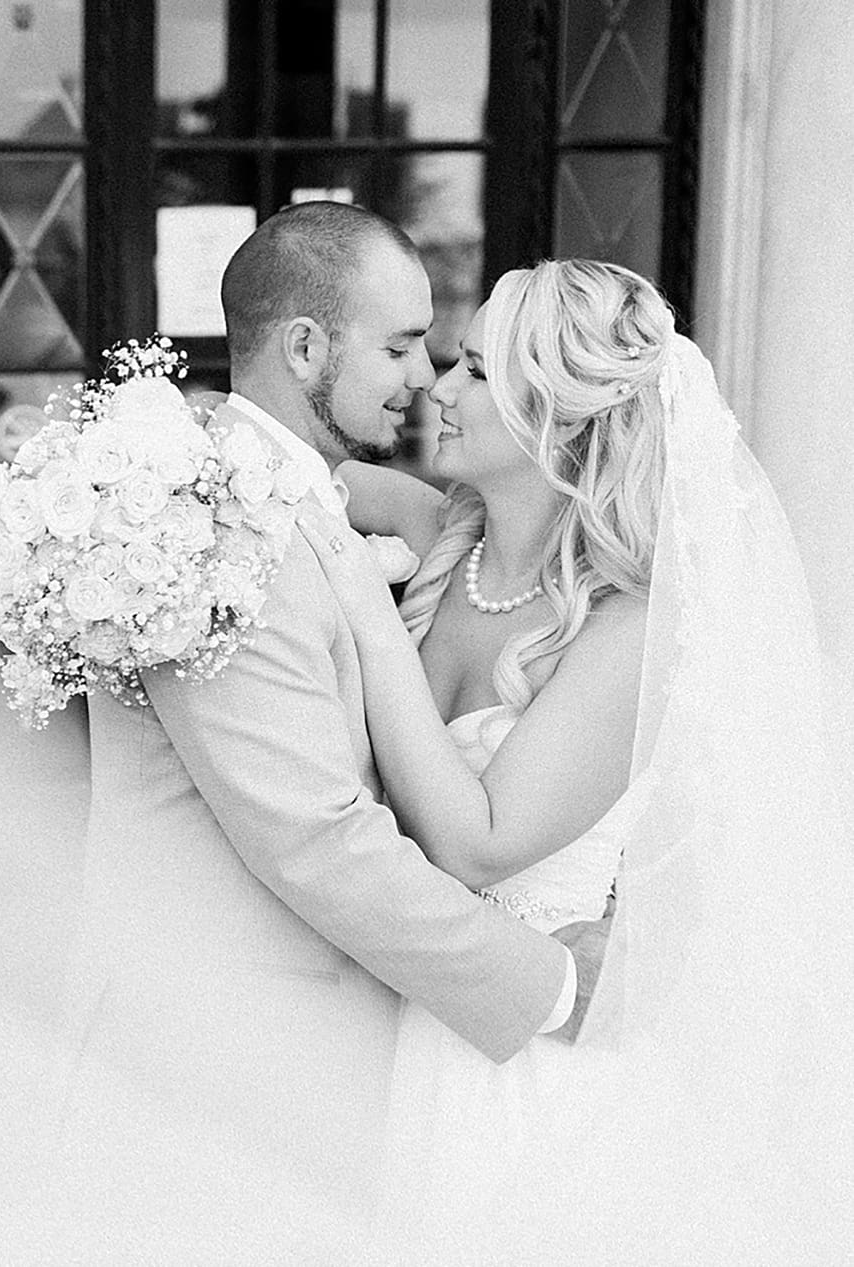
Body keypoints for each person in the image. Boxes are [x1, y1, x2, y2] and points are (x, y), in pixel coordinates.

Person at [58, 203, 604, 1249]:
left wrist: (423, 510)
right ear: (305, 345)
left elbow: (356, 506)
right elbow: (317, 838)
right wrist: (547, 985)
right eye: (399, 346)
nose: (422, 378)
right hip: (218, 1069)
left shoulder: (260, 485)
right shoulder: (221, 527)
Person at [300, 258, 854, 1261]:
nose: (439, 385)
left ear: (560, 415)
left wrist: (364, 620)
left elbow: (478, 843)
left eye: (475, 368)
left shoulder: (627, 628)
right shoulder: (444, 537)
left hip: (529, 1065)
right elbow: (280, 466)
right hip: (399, 1019)